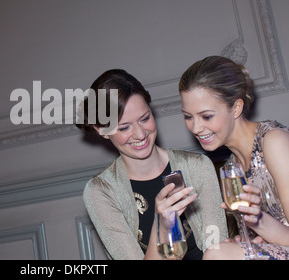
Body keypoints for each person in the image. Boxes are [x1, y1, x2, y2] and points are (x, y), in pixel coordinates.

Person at [77, 69, 227, 260]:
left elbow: (218, 248)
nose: (140, 134)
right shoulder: (101, 191)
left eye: (145, 118)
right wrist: (161, 225)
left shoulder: (197, 166)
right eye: (124, 127)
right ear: (102, 130)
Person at [179, 55, 289, 259]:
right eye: (188, 116)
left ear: (236, 108)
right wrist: (247, 244)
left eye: (207, 116)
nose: (195, 127)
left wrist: (258, 222)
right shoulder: (231, 167)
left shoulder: (274, 142)